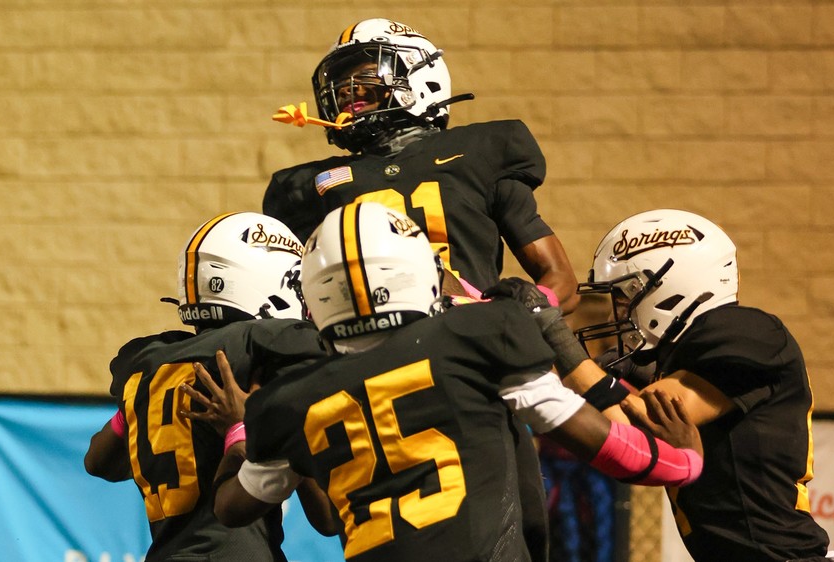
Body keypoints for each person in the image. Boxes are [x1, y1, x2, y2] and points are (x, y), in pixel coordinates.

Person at [211, 202, 703, 562]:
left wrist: (240, 430)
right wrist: (684, 462)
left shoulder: (291, 396)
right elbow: (603, 447)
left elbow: (232, 508)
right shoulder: (475, 335)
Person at [263, 17, 579, 313]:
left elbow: (560, 277)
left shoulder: (478, 153)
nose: (347, 88)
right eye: (342, 80)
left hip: (469, 339)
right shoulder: (310, 184)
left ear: (419, 75)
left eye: (365, 73)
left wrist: (521, 317)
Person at [570, 208, 831, 562]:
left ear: (669, 289)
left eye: (625, 298)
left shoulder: (747, 332)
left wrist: (556, 346)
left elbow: (630, 428)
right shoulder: (677, 360)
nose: (618, 314)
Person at [83, 212, 333, 561]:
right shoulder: (262, 351)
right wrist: (259, 427)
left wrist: (134, 407)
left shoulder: (152, 363)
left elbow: (97, 463)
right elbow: (329, 516)